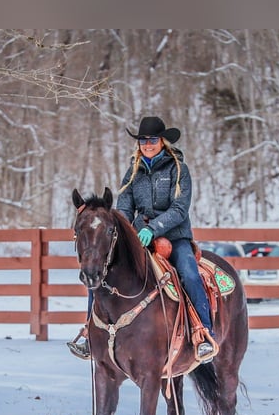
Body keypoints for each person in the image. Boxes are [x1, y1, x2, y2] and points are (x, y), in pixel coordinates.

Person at [68, 116, 216, 362]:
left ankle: (203, 333)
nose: (147, 144)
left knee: (189, 273)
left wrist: (155, 227)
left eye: (152, 140)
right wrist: (126, 229)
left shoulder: (178, 169)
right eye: (143, 140)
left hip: (175, 236)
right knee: (101, 273)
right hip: (139, 237)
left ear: (162, 142)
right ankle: (90, 335)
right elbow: (124, 208)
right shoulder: (133, 171)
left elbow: (180, 209)